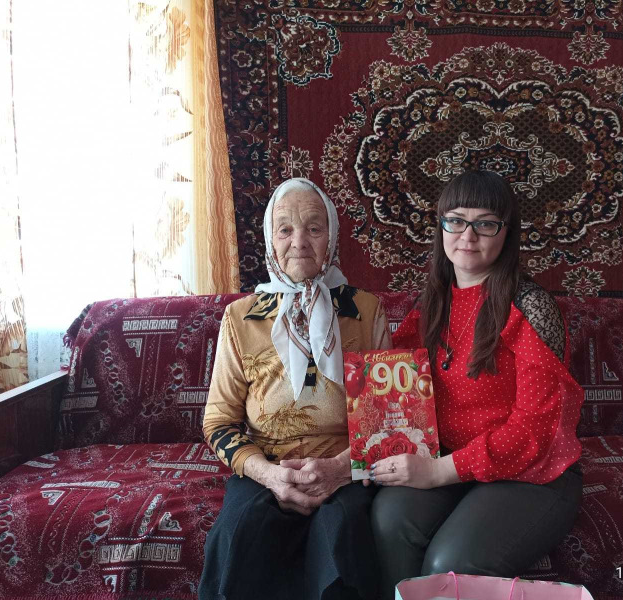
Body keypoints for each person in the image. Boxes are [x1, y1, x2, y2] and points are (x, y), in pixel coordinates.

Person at [369, 170, 584, 598]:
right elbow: (396, 391)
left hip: (530, 472)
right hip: (451, 462)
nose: (467, 235)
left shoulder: (531, 307)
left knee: (450, 563)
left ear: (507, 232)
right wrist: (365, 456)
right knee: (390, 521)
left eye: (485, 224)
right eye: (456, 220)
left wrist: (436, 472)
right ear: (441, 226)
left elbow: (534, 431)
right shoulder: (432, 303)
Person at [199, 178, 392, 600]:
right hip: (267, 466)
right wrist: (270, 475)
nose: (299, 241)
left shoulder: (364, 309)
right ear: (271, 240)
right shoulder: (241, 317)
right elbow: (218, 422)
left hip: (345, 470)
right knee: (239, 534)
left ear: (331, 237)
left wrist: (338, 470)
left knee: (340, 536)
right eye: (285, 229)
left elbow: (386, 419)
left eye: (314, 228)